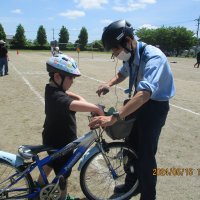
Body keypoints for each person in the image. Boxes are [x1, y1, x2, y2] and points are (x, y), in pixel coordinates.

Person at [89, 20, 175, 200]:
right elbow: (123, 72)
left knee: (145, 155)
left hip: (154, 107)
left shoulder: (153, 57)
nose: (116, 54)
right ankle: (131, 185)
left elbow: (144, 94)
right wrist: (109, 83)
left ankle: (148, 196)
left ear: (128, 40)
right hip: (139, 102)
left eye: (116, 50)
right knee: (129, 148)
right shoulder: (132, 54)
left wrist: (115, 118)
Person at [37, 54, 104, 200]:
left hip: (52, 135)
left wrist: (81, 99)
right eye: (70, 78)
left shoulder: (52, 89)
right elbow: (71, 104)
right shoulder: (58, 98)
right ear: (57, 77)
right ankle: (63, 197)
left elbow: (68, 95)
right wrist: (96, 108)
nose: (72, 81)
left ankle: (38, 185)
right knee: (63, 171)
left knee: (51, 161)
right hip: (61, 140)